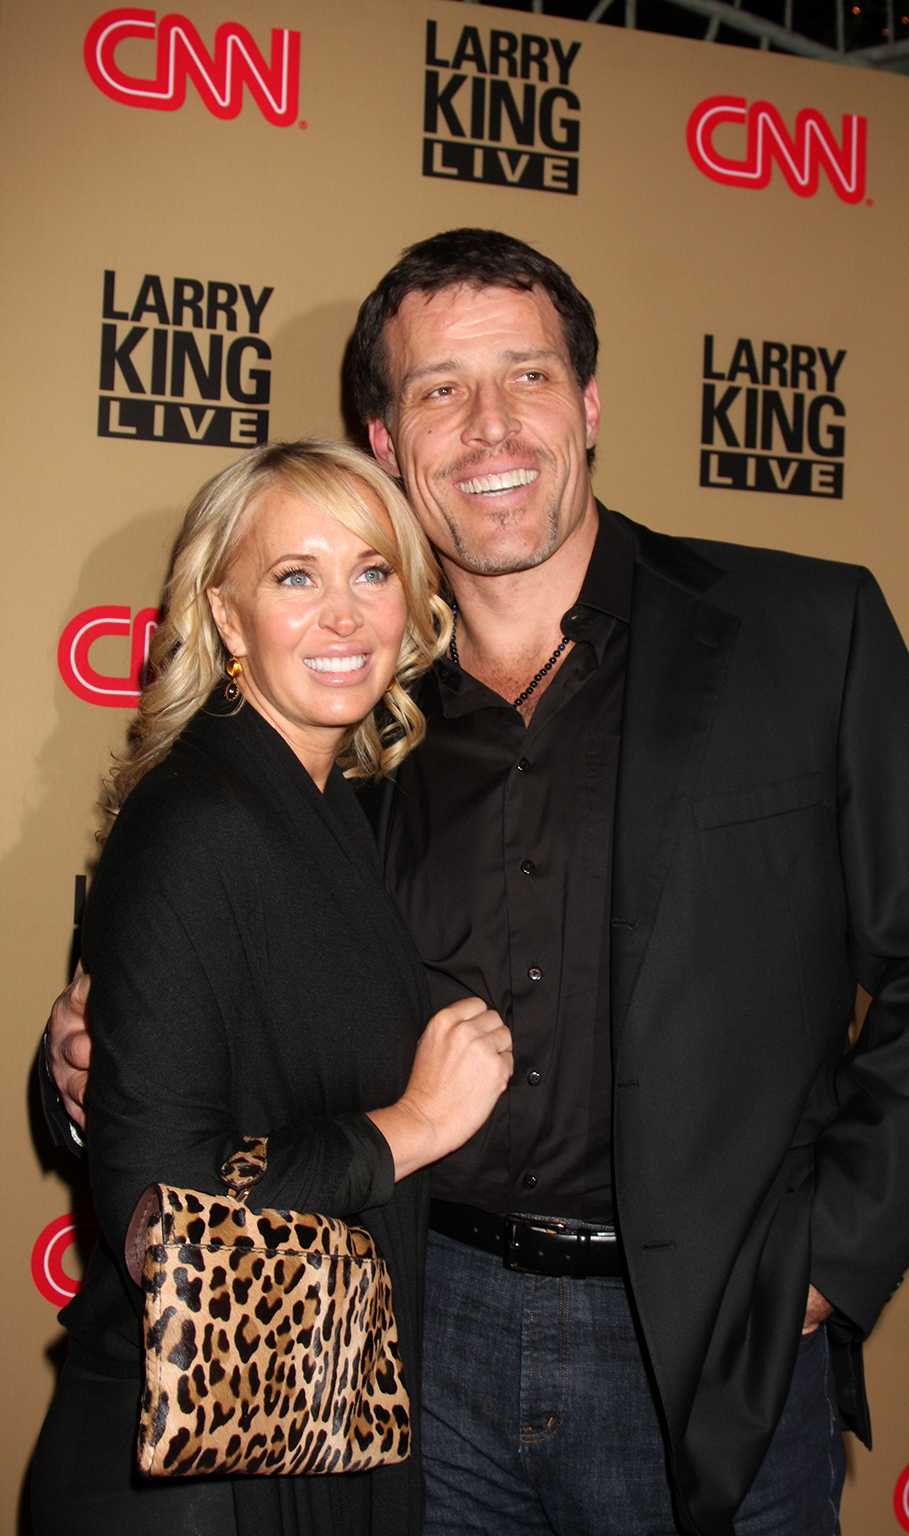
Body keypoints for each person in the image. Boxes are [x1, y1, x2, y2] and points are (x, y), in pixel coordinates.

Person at [45, 231, 909, 1536]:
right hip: (407, 1331)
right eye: (439, 388)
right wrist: (85, 1062)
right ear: (386, 441)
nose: (489, 425)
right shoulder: (349, 711)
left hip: (702, 1346)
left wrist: (826, 1264)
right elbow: (230, 1009)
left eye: (529, 375)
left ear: (590, 403)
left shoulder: (803, 634)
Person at [33, 439, 513, 1536]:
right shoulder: (203, 819)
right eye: (296, 576)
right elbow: (164, 1213)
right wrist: (411, 1126)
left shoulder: (336, 800)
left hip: (322, 1407)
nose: (344, 615)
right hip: (205, 1462)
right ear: (227, 616)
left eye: (372, 571)